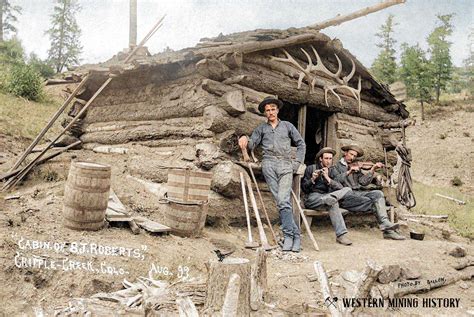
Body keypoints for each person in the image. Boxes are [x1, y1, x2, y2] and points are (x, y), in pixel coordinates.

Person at [238, 97, 306, 252]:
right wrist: (243, 137)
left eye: (273, 109)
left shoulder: (288, 126)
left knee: (283, 201)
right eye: (267, 110)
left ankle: (290, 236)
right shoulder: (261, 129)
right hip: (268, 165)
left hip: (285, 164)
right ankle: (294, 237)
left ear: (278, 110)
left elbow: (301, 143)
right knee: (281, 202)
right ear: (265, 113)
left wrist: (297, 163)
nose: (271, 112)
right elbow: (251, 144)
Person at [332, 144, 405, 240]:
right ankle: (388, 230)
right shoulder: (336, 166)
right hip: (346, 197)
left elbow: (363, 182)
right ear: (345, 153)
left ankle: (385, 224)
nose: (352, 157)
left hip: (358, 193)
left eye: (354, 156)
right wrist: (349, 172)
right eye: (351, 154)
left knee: (378, 194)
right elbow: (335, 181)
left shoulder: (354, 165)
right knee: (375, 203)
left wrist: (372, 169)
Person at [301, 147, 353, 245]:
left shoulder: (332, 171)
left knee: (347, 190)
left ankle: (341, 236)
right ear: (321, 159)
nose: (328, 161)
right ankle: (341, 235)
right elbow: (304, 188)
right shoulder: (311, 168)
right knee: (333, 202)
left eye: (330, 159)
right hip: (314, 198)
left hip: (328, 196)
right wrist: (312, 179)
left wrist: (328, 178)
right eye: (326, 158)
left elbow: (339, 187)